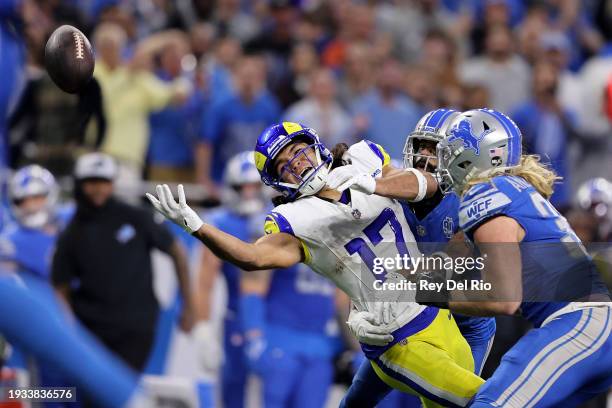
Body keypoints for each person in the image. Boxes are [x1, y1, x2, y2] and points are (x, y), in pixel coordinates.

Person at [147, 121, 485, 407]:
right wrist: (198, 226)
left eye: (297, 151)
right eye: (284, 165)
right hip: (395, 337)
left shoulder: (362, 158)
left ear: (314, 145)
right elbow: (252, 257)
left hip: (437, 312)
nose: (296, 163)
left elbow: (425, 183)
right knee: (483, 398)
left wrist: (374, 184)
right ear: (278, 182)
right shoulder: (293, 219)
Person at [354, 108, 612, 406]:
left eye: (452, 150)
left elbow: (502, 299)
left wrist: (424, 291)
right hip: (593, 327)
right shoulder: (510, 188)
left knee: (488, 403)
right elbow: (450, 261)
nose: (444, 161)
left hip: (577, 324)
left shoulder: (486, 192)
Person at [337, 109, 496, 407]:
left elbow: (447, 276)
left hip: (464, 322)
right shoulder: (395, 193)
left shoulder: (470, 199)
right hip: (411, 318)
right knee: (355, 401)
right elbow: (367, 262)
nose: (424, 156)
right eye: (420, 146)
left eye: (433, 149)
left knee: (452, 402)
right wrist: (356, 312)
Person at [51, 152, 195, 372]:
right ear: (79, 184)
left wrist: (189, 305)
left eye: (105, 181)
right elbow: (61, 286)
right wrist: (68, 328)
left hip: (137, 324)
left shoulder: (136, 216)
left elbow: (177, 252)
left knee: (127, 390)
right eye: (91, 182)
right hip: (92, 329)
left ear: (113, 183)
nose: (99, 188)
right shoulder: (70, 233)